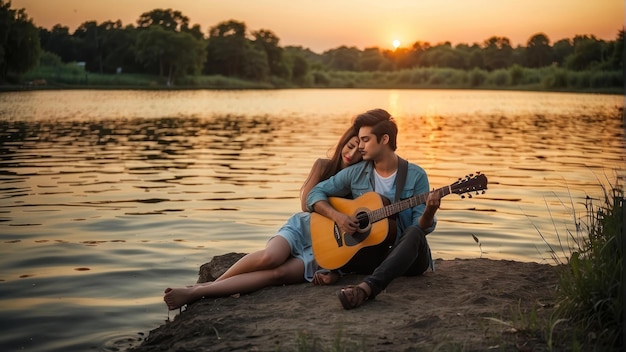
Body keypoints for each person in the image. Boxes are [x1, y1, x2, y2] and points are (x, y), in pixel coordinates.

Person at [163, 126, 362, 310]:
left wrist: (335, 272)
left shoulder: (361, 182)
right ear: (343, 142)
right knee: (271, 257)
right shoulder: (323, 166)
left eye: (359, 152)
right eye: (350, 146)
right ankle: (211, 286)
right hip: (302, 228)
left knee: (278, 274)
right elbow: (305, 205)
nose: (351, 154)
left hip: (327, 247)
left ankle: (199, 291)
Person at [306, 108, 441, 310]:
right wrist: (338, 217)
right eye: (359, 140)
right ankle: (338, 270)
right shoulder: (355, 173)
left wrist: (430, 211)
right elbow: (314, 194)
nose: (360, 146)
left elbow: (420, 228)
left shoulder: (416, 175)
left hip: (406, 258)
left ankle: (365, 289)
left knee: (414, 233)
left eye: (365, 140)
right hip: (371, 253)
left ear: (384, 139)